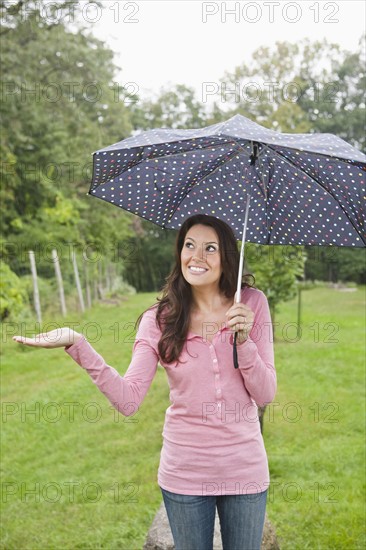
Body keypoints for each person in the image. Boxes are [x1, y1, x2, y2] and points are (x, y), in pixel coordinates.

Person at [13, 214, 276, 550]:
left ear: (227, 256)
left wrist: (244, 341)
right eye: (189, 245)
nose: (196, 256)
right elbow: (128, 399)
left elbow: (265, 393)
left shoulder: (252, 304)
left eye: (210, 248)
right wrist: (77, 343)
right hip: (185, 472)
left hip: (244, 468)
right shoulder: (160, 319)